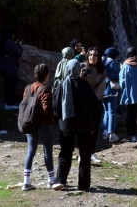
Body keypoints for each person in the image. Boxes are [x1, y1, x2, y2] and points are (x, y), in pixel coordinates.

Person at [52, 61, 102, 191]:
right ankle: (84, 184)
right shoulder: (84, 85)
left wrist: (59, 119)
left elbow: (56, 105)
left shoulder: (62, 84)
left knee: (65, 153)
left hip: (67, 124)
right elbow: (95, 104)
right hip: (84, 125)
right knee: (85, 154)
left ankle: (60, 180)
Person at [21, 64, 56, 191]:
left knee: (30, 151)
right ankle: (51, 181)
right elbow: (46, 109)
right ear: (47, 75)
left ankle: (26, 182)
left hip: (30, 122)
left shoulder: (28, 88)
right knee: (47, 151)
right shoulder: (45, 89)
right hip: (43, 124)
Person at [81, 47, 107, 164]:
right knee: (83, 128)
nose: (93, 57)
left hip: (96, 103)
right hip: (83, 103)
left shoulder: (102, 69)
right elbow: (78, 82)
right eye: (91, 55)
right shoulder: (82, 67)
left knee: (95, 129)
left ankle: (92, 152)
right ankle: (82, 152)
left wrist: (93, 98)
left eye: (95, 55)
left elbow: (102, 86)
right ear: (87, 56)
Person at [0, 28, 23, 110]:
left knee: (7, 86)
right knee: (11, 87)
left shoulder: (2, 43)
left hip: (3, 68)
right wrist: (19, 45)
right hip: (10, 69)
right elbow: (18, 53)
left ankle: (7, 103)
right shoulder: (10, 43)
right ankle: (9, 104)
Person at [101, 47, 121, 143]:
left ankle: (105, 132)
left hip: (102, 90)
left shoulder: (102, 61)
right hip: (111, 90)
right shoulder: (112, 62)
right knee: (112, 112)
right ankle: (112, 134)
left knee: (105, 112)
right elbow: (118, 73)